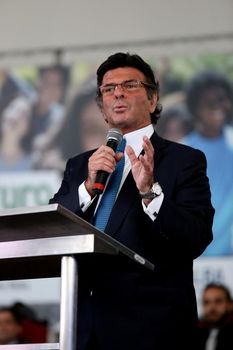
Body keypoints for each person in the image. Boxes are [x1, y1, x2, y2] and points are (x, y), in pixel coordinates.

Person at [50, 52, 214, 350]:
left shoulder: (183, 161)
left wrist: (149, 191)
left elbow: (196, 237)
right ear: (102, 108)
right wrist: (87, 187)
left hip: (152, 331)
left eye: (129, 85)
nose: (118, 93)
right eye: (108, 89)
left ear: (152, 100)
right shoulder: (80, 165)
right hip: (85, 329)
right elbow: (52, 228)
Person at [183, 70, 233, 256]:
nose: (219, 107)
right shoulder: (185, 151)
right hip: (196, 257)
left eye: (222, 99)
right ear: (196, 108)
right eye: (210, 103)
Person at [197, 283, 233, 350]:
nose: (212, 308)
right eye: (206, 302)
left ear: (230, 304)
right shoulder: (197, 331)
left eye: (218, 301)